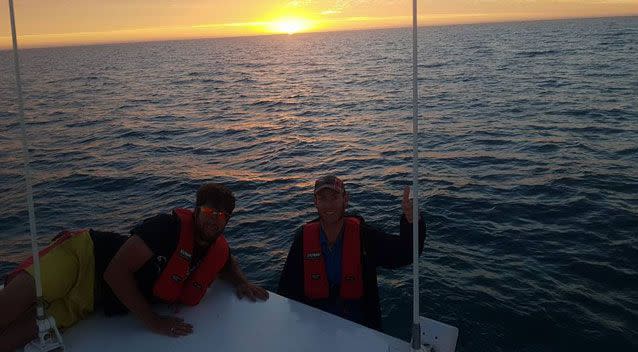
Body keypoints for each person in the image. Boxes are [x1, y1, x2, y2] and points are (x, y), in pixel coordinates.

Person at [0, 183, 268, 351]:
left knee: (11, 340)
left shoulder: (214, 246)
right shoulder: (166, 228)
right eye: (210, 213)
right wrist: (153, 321)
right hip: (83, 257)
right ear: (197, 211)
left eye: (222, 217)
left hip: (90, 301)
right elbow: (114, 272)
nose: (215, 221)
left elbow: (227, 261)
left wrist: (242, 281)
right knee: (6, 308)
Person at [277, 175, 426, 330]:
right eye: (322, 198)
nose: (329, 205)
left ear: (345, 199)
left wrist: (412, 221)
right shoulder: (302, 238)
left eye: (335, 197)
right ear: (315, 202)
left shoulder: (364, 236)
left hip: (360, 330)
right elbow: (286, 289)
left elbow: (407, 253)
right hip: (314, 327)